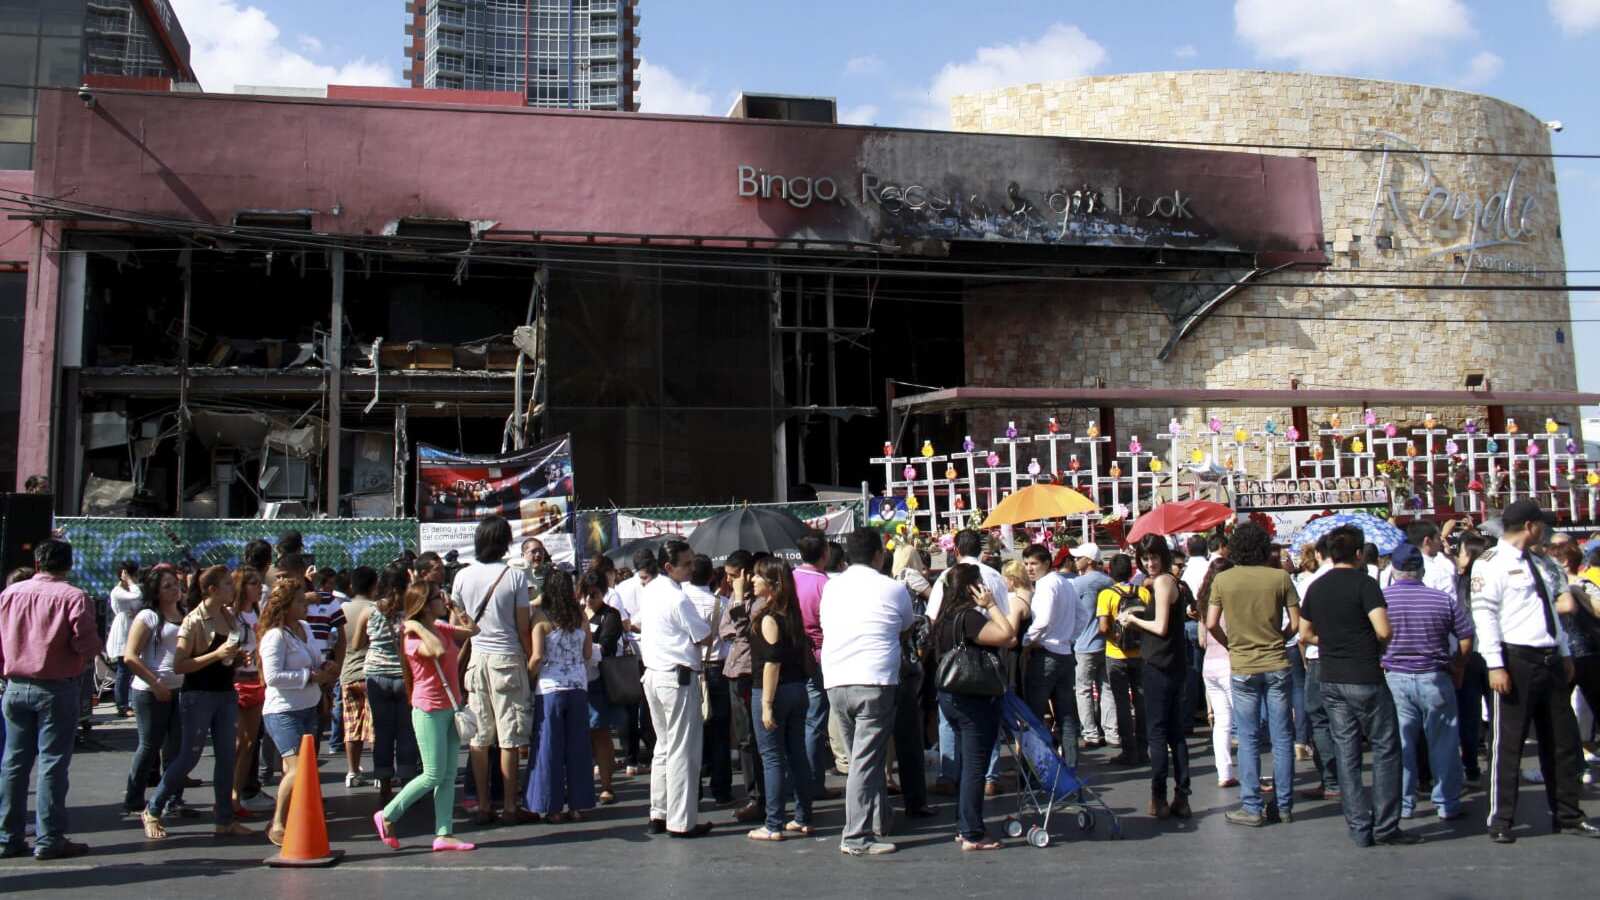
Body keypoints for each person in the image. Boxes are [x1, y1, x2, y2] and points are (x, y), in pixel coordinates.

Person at [1472, 500, 1600, 842]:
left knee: (1563, 741)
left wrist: (1564, 651)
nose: (1543, 531)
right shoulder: (1491, 564)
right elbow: (1484, 616)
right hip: (1515, 658)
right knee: (1508, 744)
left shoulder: (1541, 563)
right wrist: (1495, 664)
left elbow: (1552, 612)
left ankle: (1568, 813)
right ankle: (1500, 820)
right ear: (1530, 526)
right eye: (1541, 525)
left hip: (1550, 657)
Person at [1300, 525, 1416, 847]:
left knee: (1346, 753)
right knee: (1385, 747)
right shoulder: (1365, 584)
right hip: (1364, 675)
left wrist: (1332, 640)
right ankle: (1386, 825)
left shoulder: (1317, 587)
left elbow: (1304, 633)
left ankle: (1359, 827)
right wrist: (1367, 643)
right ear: (1357, 554)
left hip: (1331, 677)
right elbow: (1383, 630)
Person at [0, 539, 100, 860]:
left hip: (15, 684)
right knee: (52, 763)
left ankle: (8, 835)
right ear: (68, 565)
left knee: (14, 763)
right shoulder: (74, 597)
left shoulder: (10, 594)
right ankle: (49, 837)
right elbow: (86, 643)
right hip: (56, 685)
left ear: (39, 563)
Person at [820, 528, 913, 856]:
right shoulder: (892, 588)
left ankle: (877, 819)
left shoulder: (831, 587)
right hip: (874, 681)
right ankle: (857, 836)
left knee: (861, 761)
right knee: (865, 763)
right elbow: (905, 624)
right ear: (879, 555)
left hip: (836, 680)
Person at [144, 565, 253, 839]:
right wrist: (217, 655)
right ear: (212, 589)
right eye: (227, 584)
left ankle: (224, 819)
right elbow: (180, 665)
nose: (232, 588)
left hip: (225, 693)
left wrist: (236, 660)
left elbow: (225, 658)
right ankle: (153, 809)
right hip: (198, 695)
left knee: (227, 757)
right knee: (189, 757)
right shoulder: (194, 620)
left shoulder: (229, 617)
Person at [373, 581, 479, 852]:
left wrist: (454, 606)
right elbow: (437, 651)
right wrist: (417, 625)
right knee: (432, 774)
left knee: (448, 775)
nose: (441, 601)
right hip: (428, 710)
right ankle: (387, 815)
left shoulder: (440, 626)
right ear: (423, 604)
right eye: (436, 598)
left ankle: (444, 833)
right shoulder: (412, 637)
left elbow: (472, 630)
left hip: (451, 707)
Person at [1206, 521, 1299, 827]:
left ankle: (1251, 806)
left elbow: (1210, 624)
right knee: (1282, 736)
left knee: (1247, 737)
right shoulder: (1280, 577)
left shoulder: (1224, 581)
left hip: (1243, 665)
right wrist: (1280, 638)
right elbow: (1296, 624)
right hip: (1276, 662)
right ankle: (1284, 805)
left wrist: (1230, 644)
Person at [450, 516, 537, 826]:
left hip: (476, 658)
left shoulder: (461, 576)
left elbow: (458, 624)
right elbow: (523, 626)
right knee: (510, 736)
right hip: (508, 657)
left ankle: (483, 805)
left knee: (480, 736)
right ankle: (511, 806)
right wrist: (531, 661)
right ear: (504, 541)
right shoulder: (513, 577)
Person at [1382, 543, 1474, 822]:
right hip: (1435, 674)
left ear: (1394, 571)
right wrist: (1458, 665)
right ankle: (1446, 802)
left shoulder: (1382, 600)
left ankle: (1405, 803)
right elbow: (1466, 636)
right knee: (1444, 742)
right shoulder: (1442, 600)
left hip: (1395, 677)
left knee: (1401, 743)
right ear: (1421, 570)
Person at [932, 563, 1016, 851]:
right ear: (972, 588)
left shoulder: (944, 618)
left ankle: (964, 824)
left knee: (967, 762)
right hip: (973, 697)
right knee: (975, 765)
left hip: (951, 695)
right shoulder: (969, 618)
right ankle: (972, 832)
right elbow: (1008, 635)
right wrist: (991, 605)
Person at [639, 539, 714, 838]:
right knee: (683, 750)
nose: (692, 567)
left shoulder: (652, 589)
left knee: (664, 747)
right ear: (669, 566)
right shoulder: (677, 598)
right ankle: (682, 821)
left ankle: (659, 812)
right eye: (687, 563)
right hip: (676, 676)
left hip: (655, 675)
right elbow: (703, 635)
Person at [259, 581, 340, 847]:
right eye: (300, 602)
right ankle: (278, 822)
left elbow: (313, 659)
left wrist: (325, 666)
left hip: (308, 707)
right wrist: (309, 676)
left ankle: (294, 817)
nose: (306, 606)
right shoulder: (275, 636)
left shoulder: (304, 629)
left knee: (296, 770)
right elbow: (272, 677)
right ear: (285, 606)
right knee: (297, 768)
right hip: (283, 711)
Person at [1120, 536, 1191, 819]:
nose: (1149, 563)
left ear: (1162, 556)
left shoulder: (1163, 582)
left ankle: (1158, 797)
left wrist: (1133, 619)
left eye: (1153, 557)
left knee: (1158, 733)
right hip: (1174, 664)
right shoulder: (1170, 582)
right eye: (1144, 558)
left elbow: (1160, 626)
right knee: (1176, 733)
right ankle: (1182, 796)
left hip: (1158, 665)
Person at [745, 558, 815, 842]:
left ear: (772, 585)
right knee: (797, 753)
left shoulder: (770, 618)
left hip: (775, 691)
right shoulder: (792, 614)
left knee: (772, 758)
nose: (752, 579)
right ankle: (803, 816)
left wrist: (766, 704)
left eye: (758, 576)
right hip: (797, 689)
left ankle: (773, 822)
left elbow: (772, 663)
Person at [525, 570, 595, 821]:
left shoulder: (541, 618)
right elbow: (588, 653)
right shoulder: (580, 617)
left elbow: (536, 657)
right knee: (578, 747)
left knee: (548, 748)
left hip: (550, 688)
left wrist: (528, 676)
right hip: (578, 686)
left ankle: (551, 806)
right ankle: (578, 805)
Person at [122, 566, 186, 819]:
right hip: (150, 691)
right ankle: (134, 798)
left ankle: (173, 797)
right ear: (155, 591)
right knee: (150, 745)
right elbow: (130, 656)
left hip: (180, 688)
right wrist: (156, 683)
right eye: (167, 586)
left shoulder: (184, 613)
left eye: (176, 584)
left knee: (177, 747)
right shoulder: (148, 616)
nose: (174, 589)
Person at [351, 565, 419, 803]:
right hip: (404, 676)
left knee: (382, 730)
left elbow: (357, 643)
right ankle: (409, 781)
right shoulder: (409, 612)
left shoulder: (370, 612)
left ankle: (384, 783)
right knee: (406, 731)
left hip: (375, 675)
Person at [1020, 544, 1084, 767]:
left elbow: (1043, 619)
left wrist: (1027, 640)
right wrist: (1069, 637)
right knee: (1066, 716)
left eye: (1034, 563)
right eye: (1026, 563)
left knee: (1036, 716)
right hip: (1064, 653)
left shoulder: (1047, 585)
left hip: (1047, 654)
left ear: (1046, 563)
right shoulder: (1064, 583)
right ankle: (1071, 765)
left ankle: (1038, 769)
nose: (1029, 568)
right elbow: (1082, 615)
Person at [718, 550, 765, 823]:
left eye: (734, 576)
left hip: (750, 671)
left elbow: (746, 631)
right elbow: (726, 629)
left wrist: (737, 600)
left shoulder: (758, 601)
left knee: (753, 737)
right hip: (734, 669)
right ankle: (754, 793)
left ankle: (759, 796)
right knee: (744, 736)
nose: (729, 580)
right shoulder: (735, 601)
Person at [683, 554, 733, 804]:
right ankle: (722, 788)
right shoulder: (722, 603)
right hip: (717, 668)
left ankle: (695, 788)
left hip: (692, 668)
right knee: (721, 731)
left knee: (692, 731)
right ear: (712, 576)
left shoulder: (682, 600)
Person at [1296, 536, 1342, 803]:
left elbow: (1304, 632)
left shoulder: (1311, 583)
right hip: (1349, 659)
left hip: (1318, 656)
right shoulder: (1360, 579)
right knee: (1344, 721)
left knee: (1321, 719)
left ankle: (1331, 780)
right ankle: (1346, 777)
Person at [792, 535, 834, 799]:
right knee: (815, 723)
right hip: (818, 657)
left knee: (799, 722)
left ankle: (799, 781)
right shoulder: (825, 584)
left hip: (793, 656)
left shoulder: (789, 579)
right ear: (824, 553)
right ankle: (813, 784)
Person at [1097, 554, 1149, 765]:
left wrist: (1114, 638)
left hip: (1116, 655)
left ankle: (1129, 750)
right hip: (1141, 654)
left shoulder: (1107, 595)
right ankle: (1143, 749)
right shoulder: (1144, 592)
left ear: (1110, 571)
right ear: (1131, 571)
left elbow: (1103, 627)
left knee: (1122, 703)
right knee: (1142, 702)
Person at [580, 569, 625, 804]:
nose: (589, 599)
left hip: (597, 681)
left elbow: (606, 647)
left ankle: (607, 785)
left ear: (603, 593)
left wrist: (585, 649)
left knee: (600, 734)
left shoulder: (610, 616)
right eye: (585, 594)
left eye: (594, 594)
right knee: (580, 737)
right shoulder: (576, 613)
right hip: (576, 681)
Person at [614, 548, 659, 775]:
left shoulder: (621, 588)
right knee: (650, 705)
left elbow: (621, 621)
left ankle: (631, 755)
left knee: (631, 705)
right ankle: (651, 750)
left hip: (631, 651)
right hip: (647, 650)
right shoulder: (655, 586)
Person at [230, 565, 267, 819]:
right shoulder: (232, 615)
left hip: (256, 679)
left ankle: (238, 793)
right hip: (237, 682)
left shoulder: (257, 613)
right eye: (252, 583)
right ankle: (230, 794)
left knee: (250, 743)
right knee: (237, 743)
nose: (258, 588)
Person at [1197, 557, 1238, 787]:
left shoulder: (1204, 601)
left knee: (1222, 722)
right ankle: (1252, 774)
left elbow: (1203, 640)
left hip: (1209, 664)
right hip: (1228, 662)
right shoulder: (1230, 600)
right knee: (1242, 720)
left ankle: (1224, 772)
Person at [1069, 543, 1114, 750]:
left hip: (1084, 644)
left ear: (1089, 560)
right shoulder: (1109, 581)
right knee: (1107, 688)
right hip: (1107, 642)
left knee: (1084, 690)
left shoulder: (1079, 583)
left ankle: (1091, 733)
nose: (1075, 560)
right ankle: (1112, 731)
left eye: (1079, 557)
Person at [1455, 534, 1491, 787]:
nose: (1458, 557)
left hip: (1475, 653)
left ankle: (1472, 765)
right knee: (1484, 714)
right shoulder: (1462, 581)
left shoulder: (1464, 583)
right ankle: (1477, 762)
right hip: (1481, 654)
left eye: (1462, 552)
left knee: (1470, 713)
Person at [339, 566, 379, 789]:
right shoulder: (376, 609)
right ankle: (378, 770)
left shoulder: (342, 609)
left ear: (352, 586)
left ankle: (352, 771)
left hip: (348, 673)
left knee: (351, 725)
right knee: (375, 727)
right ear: (375, 585)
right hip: (372, 673)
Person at [106, 561, 142, 719]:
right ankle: (122, 705)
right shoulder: (117, 591)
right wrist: (128, 580)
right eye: (132, 574)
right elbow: (137, 595)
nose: (135, 578)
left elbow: (142, 600)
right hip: (123, 630)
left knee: (136, 668)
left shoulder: (133, 587)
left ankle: (134, 702)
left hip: (135, 627)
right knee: (124, 669)